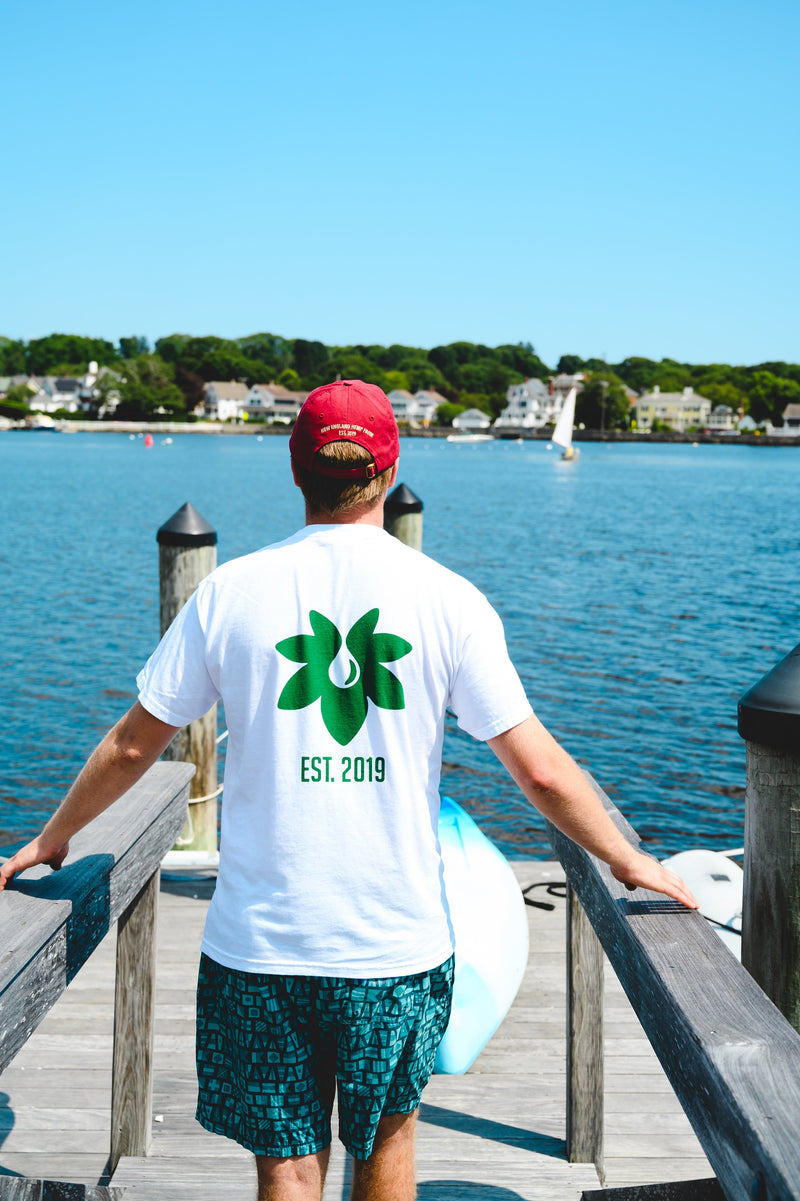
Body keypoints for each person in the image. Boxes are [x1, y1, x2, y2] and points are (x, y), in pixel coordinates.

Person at [0, 380, 698, 1201]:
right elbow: (540, 771)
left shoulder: (228, 593)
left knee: (289, 1169)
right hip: (396, 949)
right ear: (389, 464)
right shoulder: (450, 599)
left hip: (260, 949)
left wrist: (50, 840)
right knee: (387, 1144)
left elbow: (129, 747)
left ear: (297, 470)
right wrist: (628, 857)